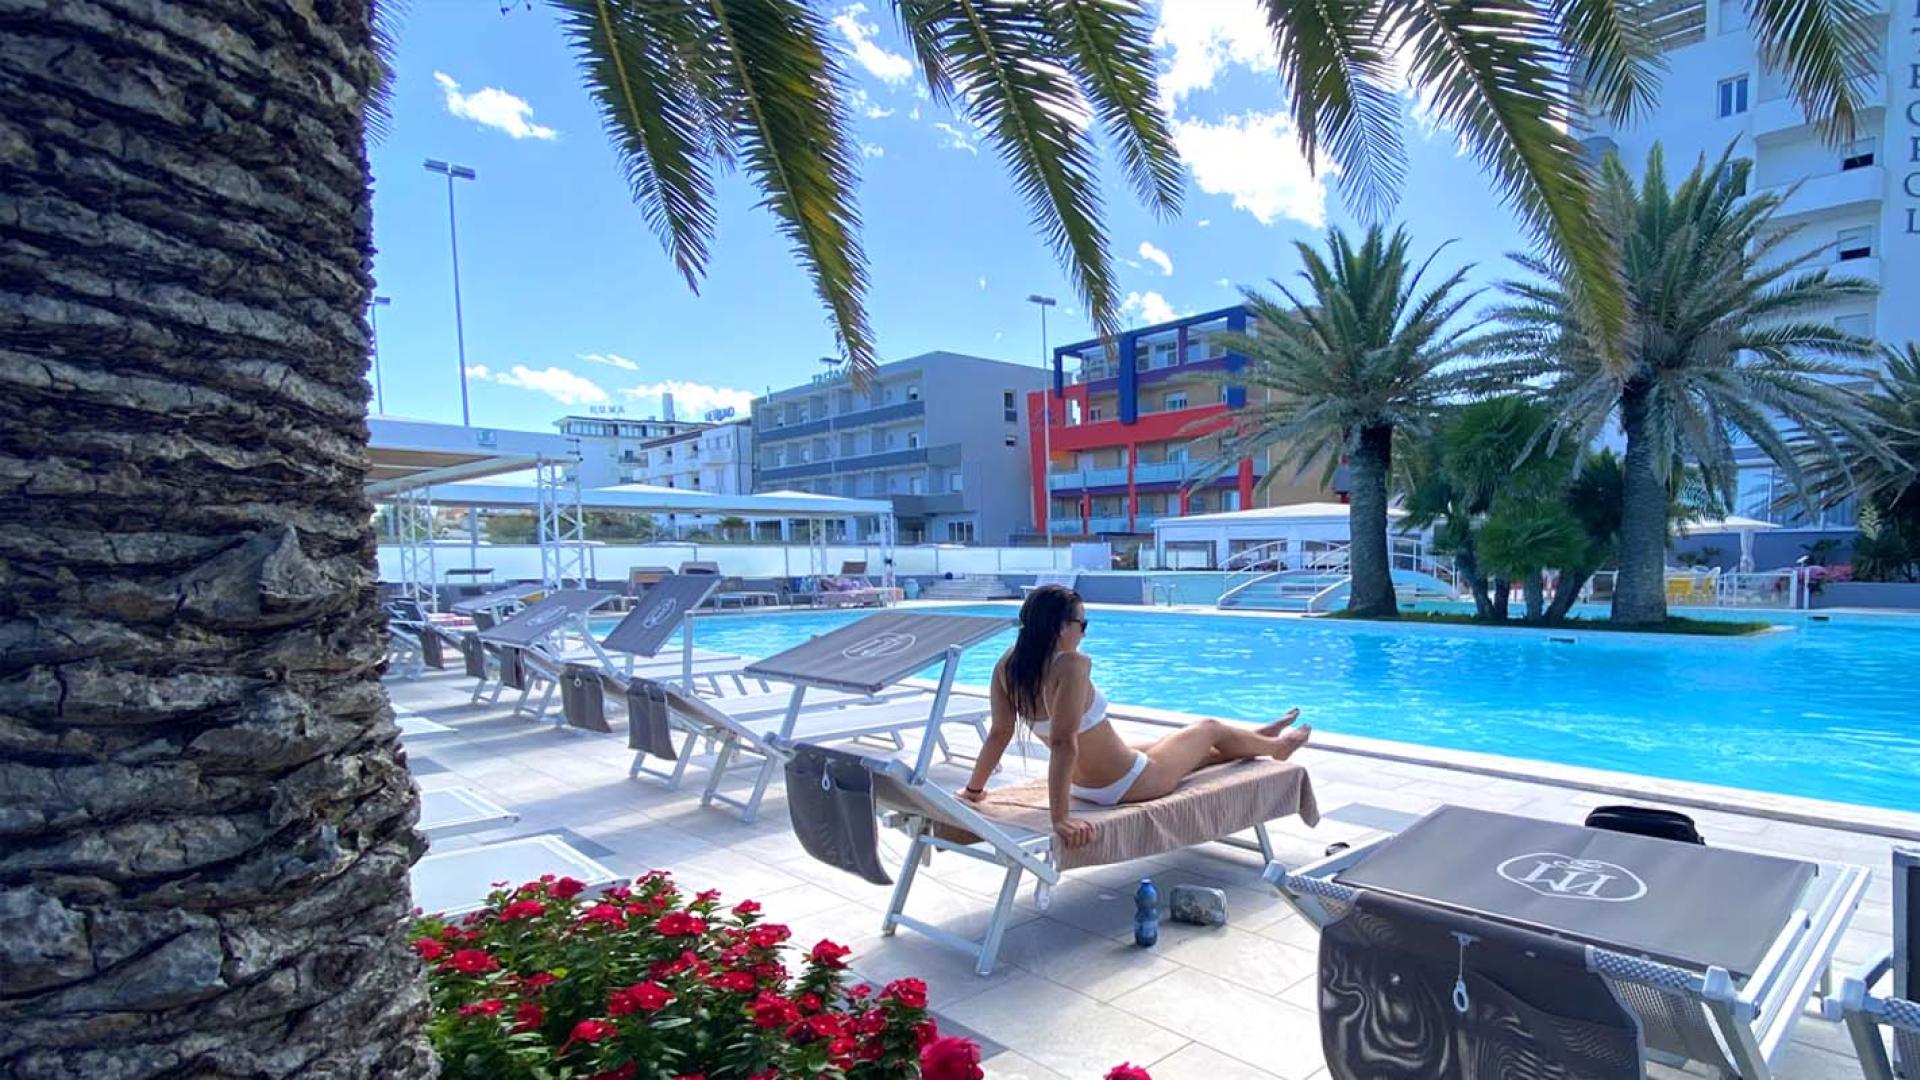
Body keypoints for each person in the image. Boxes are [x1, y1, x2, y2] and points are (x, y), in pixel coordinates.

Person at [959, 584, 1310, 848]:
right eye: (1083, 623)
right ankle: (1274, 747)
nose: (1084, 632)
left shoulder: (1007, 665)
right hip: (1130, 783)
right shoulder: (1072, 665)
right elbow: (1065, 742)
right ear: (1061, 626)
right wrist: (1061, 818)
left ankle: (1257, 738)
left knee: (1177, 747)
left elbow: (999, 733)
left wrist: (974, 790)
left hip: (1085, 785)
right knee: (1208, 728)